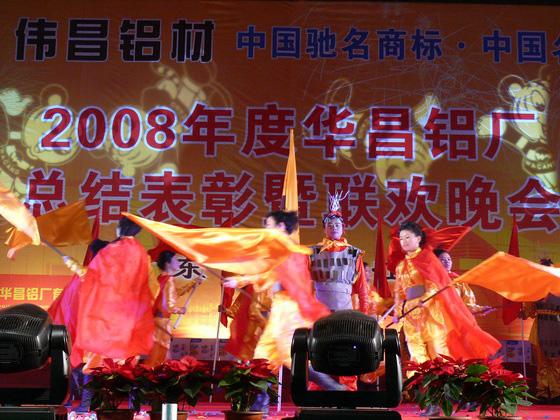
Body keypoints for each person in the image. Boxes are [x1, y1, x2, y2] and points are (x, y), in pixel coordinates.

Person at [224, 211, 346, 393]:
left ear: (280, 226)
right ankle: (259, 405)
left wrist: (240, 280)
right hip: (279, 308)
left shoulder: (289, 250)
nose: (266, 229)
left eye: (269, 224)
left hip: (290, 311)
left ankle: (334, 388)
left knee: (290, 356)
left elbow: (272, 275)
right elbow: (270, 273)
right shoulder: (281, 250)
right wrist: (240, 280)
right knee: (262, 358)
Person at [394, 221, 501, 416]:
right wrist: (397, 311)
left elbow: (448, 293)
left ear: (418, 239)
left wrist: (426, 298)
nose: (446, 262)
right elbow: (399, 292)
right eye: (402, 238)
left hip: (435, 320)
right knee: (419, 362)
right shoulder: (402, 266)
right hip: (411, 319)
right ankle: (430, 402)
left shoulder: (445, 274)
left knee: (440, 362)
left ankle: (449, 400)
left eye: (408, 237)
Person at [308, 191, 370, 313]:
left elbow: (362, 286)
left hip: (344, 310)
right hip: (320, 310)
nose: (334, 227)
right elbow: (301, 280)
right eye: (330, 225)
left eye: (337, 225)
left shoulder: (353, 253)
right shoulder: (313, 252)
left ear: (343, 229)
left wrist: (364, 313)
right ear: (324, 229)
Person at [145, 250, 202, 367]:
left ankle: (153, 373)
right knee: (160, 354)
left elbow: (174, 294)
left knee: (160, 352)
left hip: (157, 322)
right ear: (167, 263)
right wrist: (180, 310)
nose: (178, 262)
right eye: (175, 260)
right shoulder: (169, 280)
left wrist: (192, 284)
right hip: (162, 322)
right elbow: (169, 306)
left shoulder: (162, 278)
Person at [522, 258, 560, 403]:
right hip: (540, 327)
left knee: (556, 363)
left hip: (557, 327)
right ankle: (542, 392)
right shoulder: (535, 290)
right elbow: (529, 311)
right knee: (542, 364)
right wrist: (523, 312)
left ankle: (557, 393)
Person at [433, 248, 491, 315]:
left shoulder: (457, 280)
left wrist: (480, 309)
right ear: (435, 262)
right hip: (436, 317)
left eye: (449, 259)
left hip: (454, 317)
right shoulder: (430, 280)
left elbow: (468, 303)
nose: (447, 262)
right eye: (443, 259)